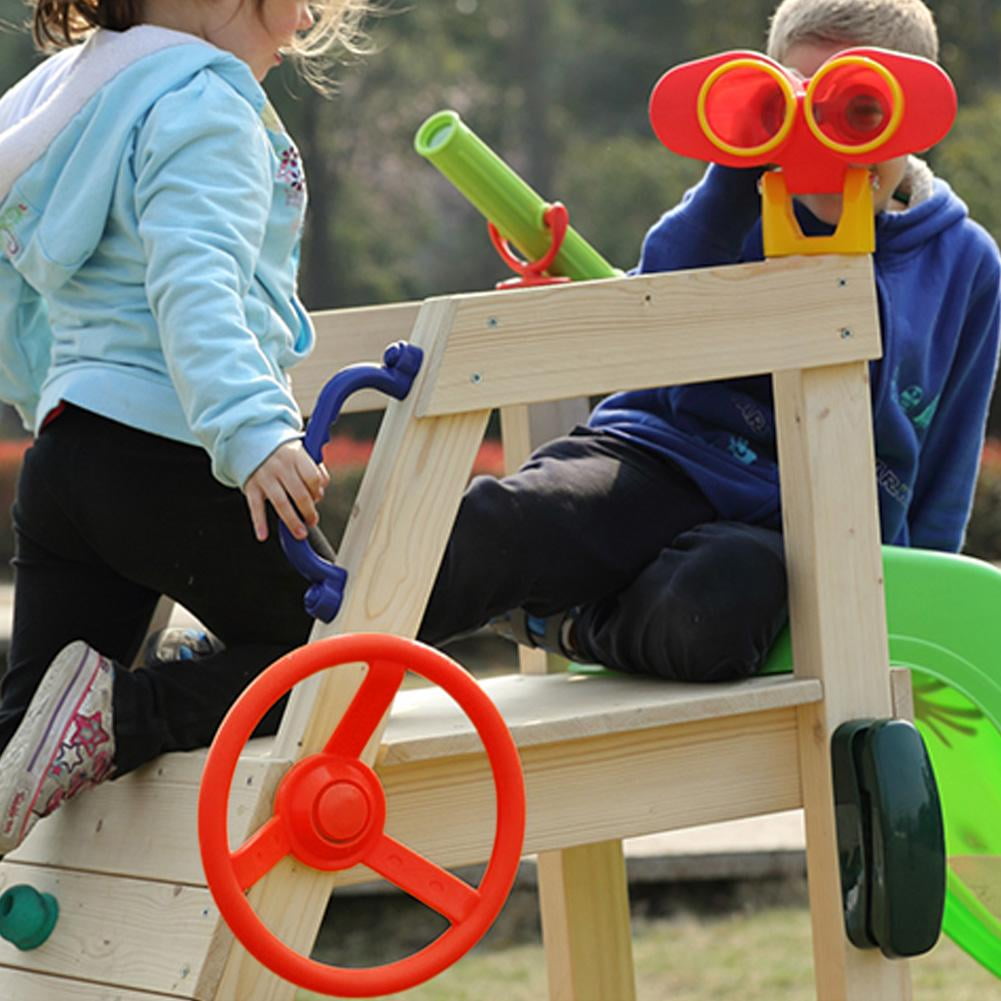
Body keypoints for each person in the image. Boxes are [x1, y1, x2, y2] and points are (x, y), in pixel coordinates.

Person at [418, 0, 1001, 685]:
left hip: (797, 527)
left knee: (717, 603)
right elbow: (657, 297)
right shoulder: (740, 199)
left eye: (859, 111)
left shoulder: (964, 263)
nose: (823, 140)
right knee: (504, 523)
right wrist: (742, 158)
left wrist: (919, 611)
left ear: (918, 118)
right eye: (794, 104)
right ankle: (295, 658)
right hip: (663, 455)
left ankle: (567, 620)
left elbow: (946, 466)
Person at [0, 0, 369, 854]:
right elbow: (195, 283)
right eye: (302, 4)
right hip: (167, 454)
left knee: (25, 732)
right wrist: (253, 430)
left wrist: (36, 386)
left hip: (67, 450)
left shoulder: (73, 98)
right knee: (339, 666)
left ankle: (108, 710)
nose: (306, 22)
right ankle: (133, 711)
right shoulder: (205, 104)